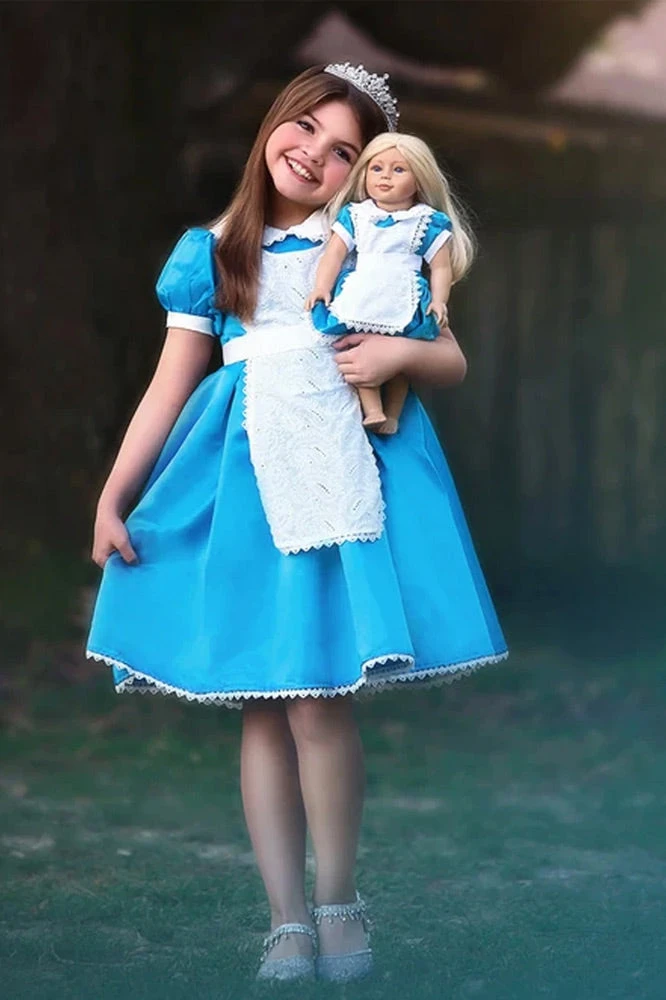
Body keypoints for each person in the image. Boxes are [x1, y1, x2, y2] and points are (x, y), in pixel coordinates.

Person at [85, 62, 508, 984]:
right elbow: (170, 385)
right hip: (239, 478)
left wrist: (396, 353)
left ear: (369, 171)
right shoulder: (214, 249)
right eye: (306, 127)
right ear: (276, 121)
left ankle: (338, 900)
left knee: (320, 698)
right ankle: (284, 918)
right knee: (265, 697)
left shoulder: (368, 241)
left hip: (334, 468)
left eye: (345, 150)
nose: (315, 154)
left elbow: (450, 359)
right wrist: (116, 495)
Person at [306, 131, 473, 434]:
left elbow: (440, 267)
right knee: (358, 348)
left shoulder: (425, 222)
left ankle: (393, 414)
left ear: (419, 180)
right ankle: (373, 410)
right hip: (365, 290)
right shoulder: (357, 215)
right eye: (377, 168)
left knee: (398, 358)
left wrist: (439, 300)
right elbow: (334, 255)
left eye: (399, 169)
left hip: (402, 292)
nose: (385, 177)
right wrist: (322, 286)